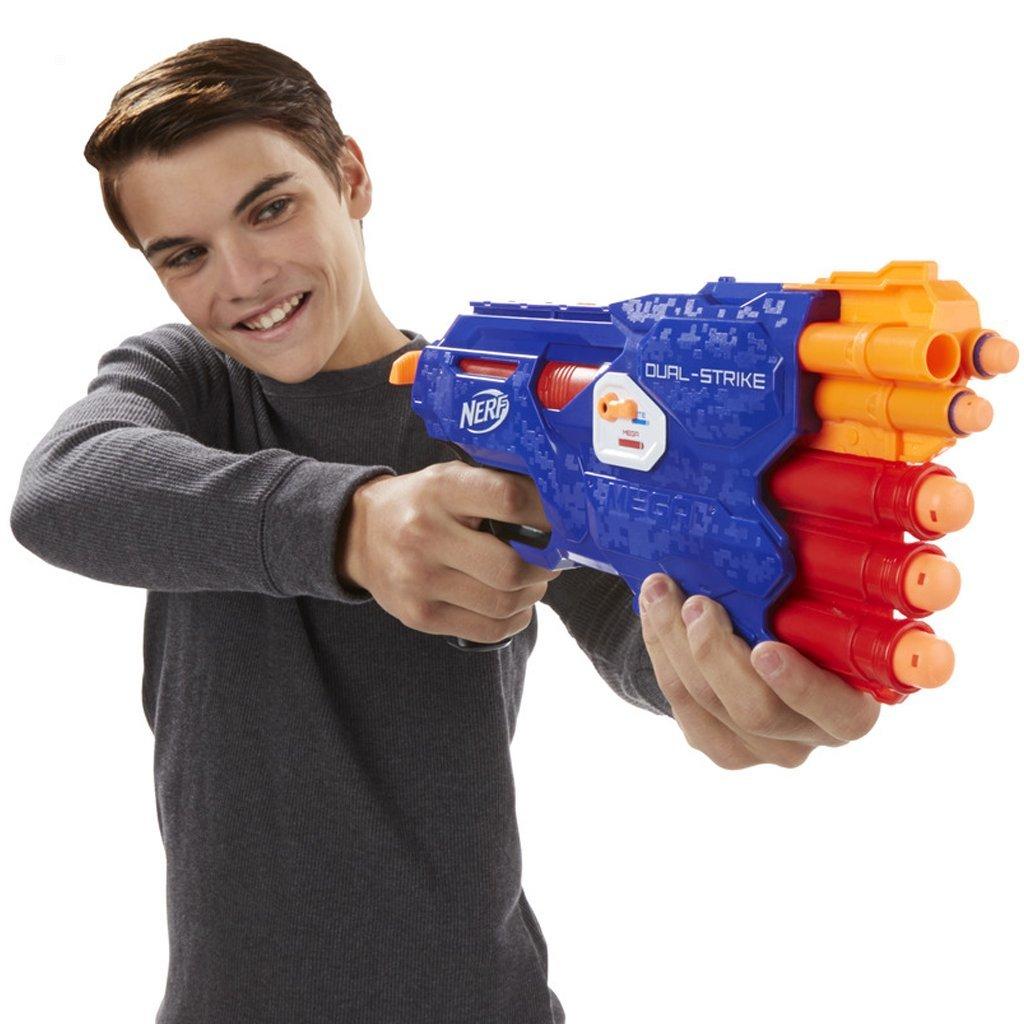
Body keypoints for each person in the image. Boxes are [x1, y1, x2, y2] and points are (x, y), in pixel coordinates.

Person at [9, 37, 880, 1024]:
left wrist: (732, 664)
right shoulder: (185, 382)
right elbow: (62, 489)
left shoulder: (494, 409)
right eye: (185, 254)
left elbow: (633, 616)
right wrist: (353, 525)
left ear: (350, 176)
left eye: (270, 208)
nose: (242, 277)